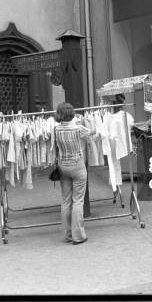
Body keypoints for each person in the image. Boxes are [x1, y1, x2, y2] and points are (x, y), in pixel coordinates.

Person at [54, 102, 93, 245]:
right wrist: (89, 124)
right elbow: (92, 133)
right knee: (78, 201)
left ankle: (68, 235)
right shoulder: (78, 128)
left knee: (66, 201)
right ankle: (78, 236)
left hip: (63, 166)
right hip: (77, 165)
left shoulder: (56, 129)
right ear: (72, 113)